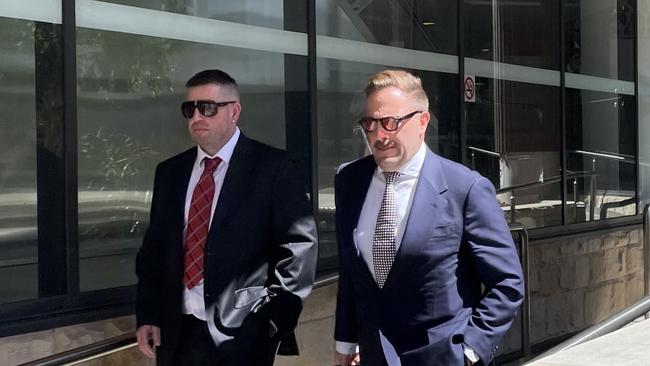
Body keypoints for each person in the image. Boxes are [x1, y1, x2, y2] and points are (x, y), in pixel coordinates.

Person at [333, 69, 524, 366]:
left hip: (442, 355)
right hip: (373, 356)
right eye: (370, 124)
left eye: (391, 123)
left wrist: (471, 350)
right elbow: (351, 271)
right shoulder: (350, 180)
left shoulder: (465, 187)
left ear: (422, 121)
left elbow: (507, 283)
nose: (380, 135)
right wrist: (346, 342)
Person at [135, 69, 318, 366]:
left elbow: (298, 248)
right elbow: (154, 251)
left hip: (243, 333)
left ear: (234, 111)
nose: (197, 117)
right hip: (177, 332)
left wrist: (272, 323)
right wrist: (149, 314)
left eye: (207, 107)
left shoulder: (273, 167)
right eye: (189, 109)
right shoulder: (170, 173)